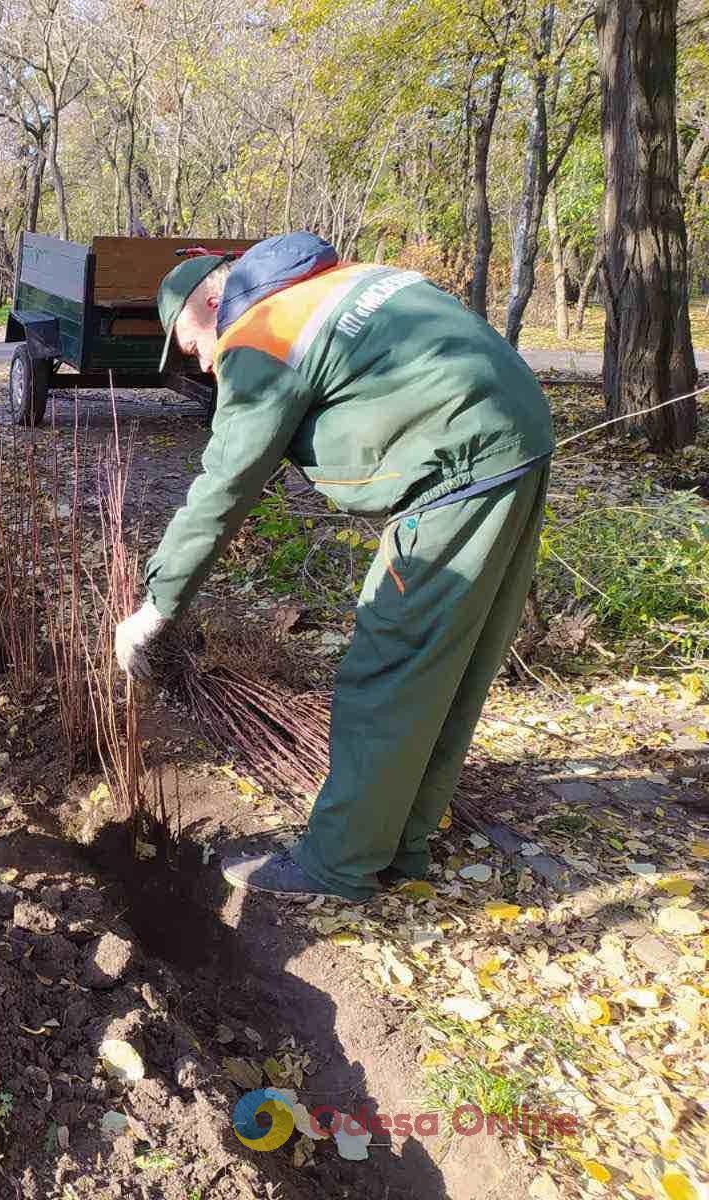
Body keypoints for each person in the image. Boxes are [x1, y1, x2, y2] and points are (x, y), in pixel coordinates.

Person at [115, 232, 552, 902]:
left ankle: (339, 864)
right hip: (513, 437)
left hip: (456, 469)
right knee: (447, 664)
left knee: (389, 665)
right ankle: (400, 845)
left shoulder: (261, 334)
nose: (201, 364)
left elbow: (226, 484)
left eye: (189, 342)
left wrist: (157, 603)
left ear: (211, 298)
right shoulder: (341, 279)